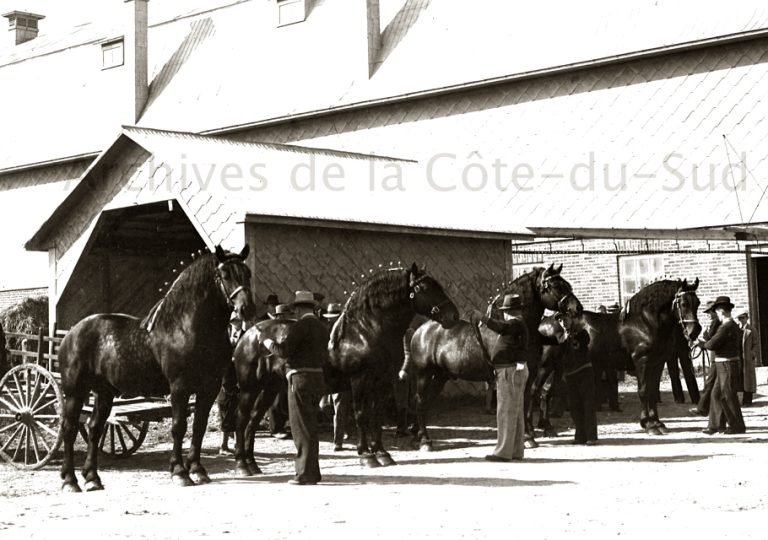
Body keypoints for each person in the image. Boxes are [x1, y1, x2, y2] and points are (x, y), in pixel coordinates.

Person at [263, 290, 329, 485]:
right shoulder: (322, 328)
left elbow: (283, 351)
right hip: (318, 378)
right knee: (311, 427)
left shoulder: (300, 326)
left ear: (299, 309)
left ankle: (304, 473)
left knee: (300, 428)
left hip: (300, 379)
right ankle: (313, 472)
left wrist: (267, 341)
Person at [477, 293, 529, 462]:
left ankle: (503, 452)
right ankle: (515, 450)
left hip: (509, 371)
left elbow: (501, 327)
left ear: (509, 311)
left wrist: (483, 318)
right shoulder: (518, 324)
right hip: (514, 370)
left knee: (505, 411)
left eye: (505, 310)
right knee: (516, 411)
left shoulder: (514, 323)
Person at [699, 296, 746, 435]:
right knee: (716, 394)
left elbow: (712, 344)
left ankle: (737, 426)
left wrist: (701, 344)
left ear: (721, 311)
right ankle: (716, 426)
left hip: (727, 364)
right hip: (724, 364)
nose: (716, 314)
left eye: (717, 311)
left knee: (728, 395)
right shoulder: (730, 325)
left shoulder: (727, 326)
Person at [560, 319, 597, 445]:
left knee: (588, 404)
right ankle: (580, 435)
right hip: (570, 374)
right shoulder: (560, 336)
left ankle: (591, 436)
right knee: (574, 406)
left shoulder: (581, 333)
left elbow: (584, 341)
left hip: (584, 371)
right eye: (561, 321)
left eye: (565, 320)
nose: (563, 323)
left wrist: (572, 332)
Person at [323, 302, 350, 451]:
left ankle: (337, 441)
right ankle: (344, 427)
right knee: (324, 406)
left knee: (339, 407)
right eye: (329, 317)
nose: (329, 319)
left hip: (340, 375)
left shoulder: (346, 333)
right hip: (327, 374)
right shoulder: (325, 330)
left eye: (332, 317)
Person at [217, 311, 244, 455]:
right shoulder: (224, 335)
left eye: (238, 320)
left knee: (238, 409)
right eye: (233, 321)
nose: (236, 323)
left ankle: (236, 444)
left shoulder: (246, 335)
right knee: (225, 406)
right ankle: (224, 445)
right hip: (225, 376)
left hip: (240, 374)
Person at [690, 301, 720, 416]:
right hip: (715, 357)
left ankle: (703, 408)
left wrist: (702, 340)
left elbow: (710, 338)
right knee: (713, 384)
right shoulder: (716, 322)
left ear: (715, 311)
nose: (708, 315)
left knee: (710, 383)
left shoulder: (716, 322)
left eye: (709, 312)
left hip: (717, 358)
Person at [736, 310, 757, 406]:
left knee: (748, 379)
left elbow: (756, 344)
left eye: (743, 318)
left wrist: (752, 353)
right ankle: (739, 401)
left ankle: (748, 401)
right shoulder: (736, 329)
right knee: (739, 378)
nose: (741, 320)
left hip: (747, 358)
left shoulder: (751, 330)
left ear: (747, 318)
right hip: (738, 357)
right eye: (739, 318)